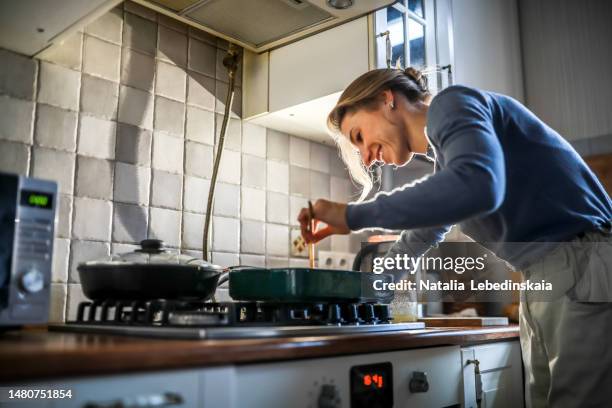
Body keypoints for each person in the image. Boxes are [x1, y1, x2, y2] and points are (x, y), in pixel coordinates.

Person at [298, 67, 612, 408]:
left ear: (386, 99)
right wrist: (362, 297)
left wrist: (351, 215)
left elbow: (477, 186)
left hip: (580, 263)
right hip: (545, 278)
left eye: (358, 136)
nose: (368, 157)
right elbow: (416, 240)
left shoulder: (453, 103)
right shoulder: (450, 166)